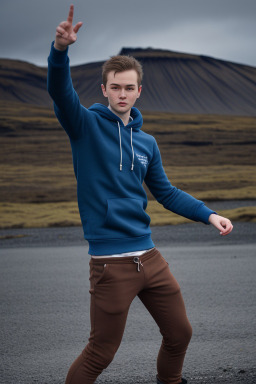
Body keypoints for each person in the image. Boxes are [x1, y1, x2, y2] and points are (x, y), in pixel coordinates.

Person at [47, 5, 233, 384]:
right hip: (111, 264)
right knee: (101, 353)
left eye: (129, 87)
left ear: (138, 91)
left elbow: (165, 192)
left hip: (149, 258)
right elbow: (59, 90)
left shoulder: (146, 141)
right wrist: (60, 50)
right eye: (115, 86)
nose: (122, 93)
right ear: (104, 89)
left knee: (180, 333)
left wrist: (208, 214)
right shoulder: (84, 126)